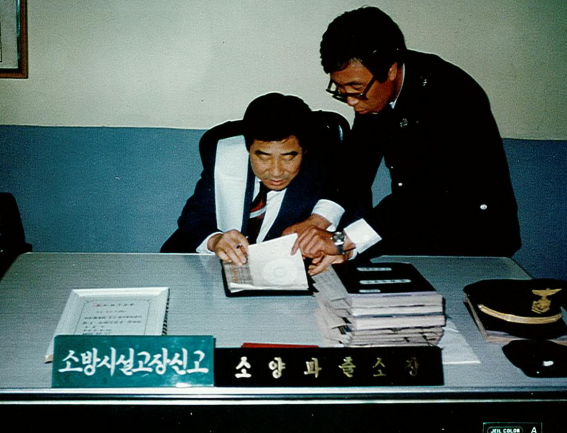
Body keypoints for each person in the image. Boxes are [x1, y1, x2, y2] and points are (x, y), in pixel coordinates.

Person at [288, 6, 521, 274]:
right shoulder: (374, 91)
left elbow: (425, 192)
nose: (351, 101)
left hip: (476, 239)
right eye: (341, 90)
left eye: (356, 89)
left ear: (391, 70)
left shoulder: (451, 94)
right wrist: (318, 220)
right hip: (414, 227)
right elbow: (356, 162)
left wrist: (342, 241)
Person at [161, 92, 345, 265]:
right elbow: (194, 216)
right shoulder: (225, 159)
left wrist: (339, 246)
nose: (276, 172)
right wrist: (215, 240)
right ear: (248, 149)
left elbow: (352, 229)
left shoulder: (327, 173)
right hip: (214, 269)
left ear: (304, 151)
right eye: (263, 157)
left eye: (288, 158)